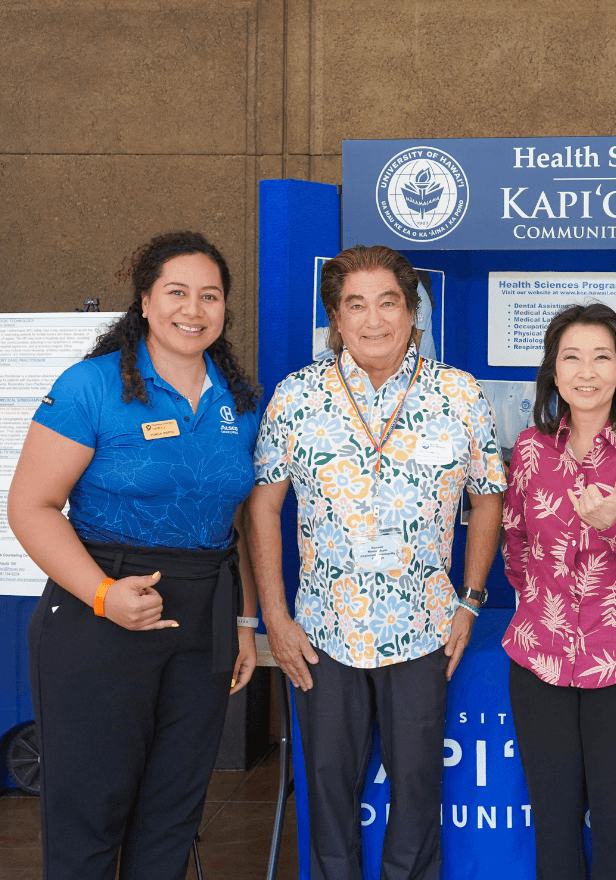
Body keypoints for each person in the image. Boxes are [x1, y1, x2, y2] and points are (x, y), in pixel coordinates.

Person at [8, 231, 261, 880]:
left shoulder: (239, 401)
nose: (194, 308)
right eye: (176, 292)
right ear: (145, 301)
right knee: (91, 812)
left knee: (172, 815)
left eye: (210, 295)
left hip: (205, 615)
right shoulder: (90, 386)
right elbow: (31, 506)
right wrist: (101, 594)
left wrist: (242, 622)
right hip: (102, 608)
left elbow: (242, 520)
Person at [249, 244, 505, 880]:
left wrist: (470, 600)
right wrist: (276, 619)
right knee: (329, 792)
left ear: (411, 311)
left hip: (423, 628)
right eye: (354, 305)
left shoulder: (460, 395)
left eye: (388, 302)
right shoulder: (296, 397)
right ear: (335, 317)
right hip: (322, 633)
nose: (373, 319)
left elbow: (489, 495)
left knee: (417, 789)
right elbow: (261, 509)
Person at [502, 303, 616, 880]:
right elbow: (515, 542)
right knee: (554, 834)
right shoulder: (531, 449)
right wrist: (544, 607)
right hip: (539, 665)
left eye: (601, 357)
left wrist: (615, 525)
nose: (586, 371)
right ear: (553, 372)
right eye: (572, 357)